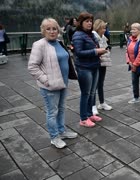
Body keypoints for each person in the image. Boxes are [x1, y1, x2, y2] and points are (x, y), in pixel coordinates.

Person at [28, 18, 78, 149]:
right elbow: (32, 67)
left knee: (61, 109)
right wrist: (46, 80)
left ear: (58, 30)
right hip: (50, 86)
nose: (52, 31)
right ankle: (54, 137)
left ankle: (62, 131)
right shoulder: (39, 45)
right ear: (43, 31)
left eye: (54, 28)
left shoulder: (59, 43)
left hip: (62, 83)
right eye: (48, 29)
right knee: (52, 112)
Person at [72, 12, 107, 127]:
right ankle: (83, 118)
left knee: (92, 92)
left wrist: (100, 52)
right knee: (85, 93)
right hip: (84, 68)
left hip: (94, 66)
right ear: (81, 23)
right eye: (86, 21)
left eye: (91, 21)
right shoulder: (77, 35)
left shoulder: (91, 34)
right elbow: (79, 52)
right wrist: (96, 52)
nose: (89, 23)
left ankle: (89, 114)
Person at [92, 19, 113, 115]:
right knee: (94, 85)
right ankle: (92, 106)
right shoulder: (93, 37)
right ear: (97, 28)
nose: (104, 30)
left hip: (103, 62)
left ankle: (102, 103)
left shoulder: (103, 37)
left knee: (100, 83)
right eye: (102, 28)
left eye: (105, 28)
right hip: (96, 63)